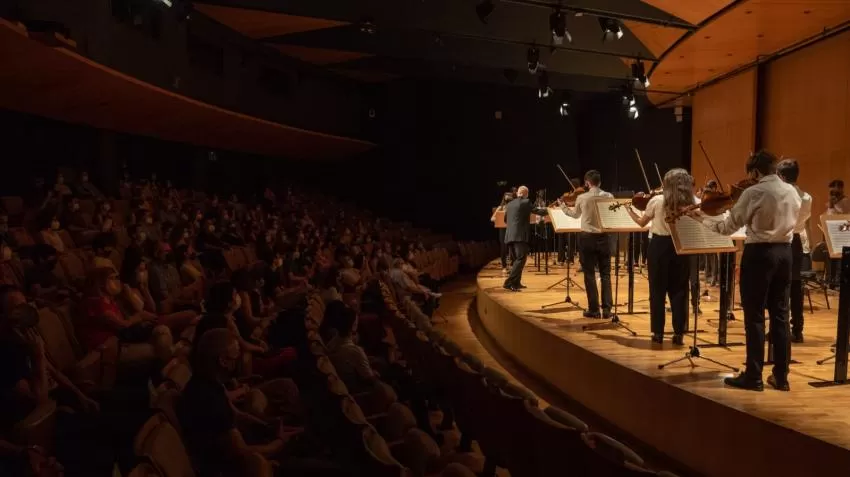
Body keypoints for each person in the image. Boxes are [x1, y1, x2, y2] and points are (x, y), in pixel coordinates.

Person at [689, 150, 801, 391]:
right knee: (781, 316)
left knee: (755, 316)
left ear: (754, 172)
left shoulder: (754, 191)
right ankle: (781, 377)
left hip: (760, 254)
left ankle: (754, 376)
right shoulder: (792, 191)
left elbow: (726, 227)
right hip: (785, 253)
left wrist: (699, 218)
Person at [625, 169, 693, 345]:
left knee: (657, 290)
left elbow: (642, 223)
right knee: (680, 291)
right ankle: (679, 333)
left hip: (659, 246)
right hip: (682, 246)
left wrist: (629, 211)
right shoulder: (692, 202)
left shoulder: (657, 200)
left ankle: (658, 333)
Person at [560, 171, 614, 317]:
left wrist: (563, 207)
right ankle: (608, 310)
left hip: (587, 238)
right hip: (604, 237)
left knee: (589, 274)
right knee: (605, 274)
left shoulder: (582, 197)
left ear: (587, 183)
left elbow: (575, 215)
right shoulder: (609, 196)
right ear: (600, 182)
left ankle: (594, 310)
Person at [777, 159, 812, 343]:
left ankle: (779, 329)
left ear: (781, 176)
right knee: (796, 287)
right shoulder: (807, 197)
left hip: (781, 241)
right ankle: (797, 330)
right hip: (796, 242)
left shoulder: (779, 196)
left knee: (779, 287)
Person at [502, 186, 547, 291]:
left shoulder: (509, 204)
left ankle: (516, 283)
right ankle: (508, 283)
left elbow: (505, 220)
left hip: (509, 235)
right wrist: (549, 210)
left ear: (518, 193)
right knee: (521, 258)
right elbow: (538, 211)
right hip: (520, 236)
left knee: (516, 260)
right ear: (526, 194)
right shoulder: (526, 202)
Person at [490, 191, 515, 273]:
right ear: (504, 197)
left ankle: (512, 265)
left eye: (510, 196)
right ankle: (504, 266)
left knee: (512, 247)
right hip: (503, 230)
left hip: (511, 229)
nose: (508, 197)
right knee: (503, 248)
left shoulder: (513, 207)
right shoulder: (500, 207)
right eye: (507, 196)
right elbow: (492, 219)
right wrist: (499, 217)